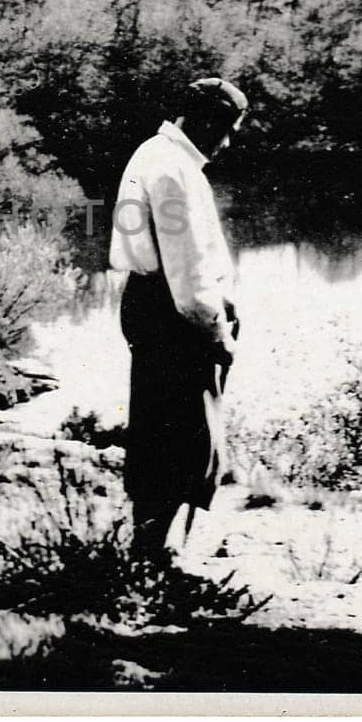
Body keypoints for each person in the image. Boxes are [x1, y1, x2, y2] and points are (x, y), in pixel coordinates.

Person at [109, 78, 248, 558]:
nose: (227, 141)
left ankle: (154, 549)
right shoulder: (170, 169)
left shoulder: (156, 154)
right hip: (170, 314)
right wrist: (216, 333)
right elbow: (185, 271)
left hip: (155, 306)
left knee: (163, 431)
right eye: (227, 128)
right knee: (180, 438)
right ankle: (155, 553)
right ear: (206, 120)